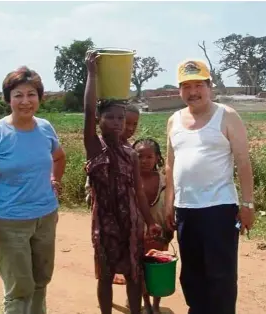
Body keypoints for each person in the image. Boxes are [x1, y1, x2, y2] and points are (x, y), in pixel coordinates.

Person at [164, 59, 255, 314]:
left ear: (209, 86)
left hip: (219, 209)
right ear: (179, 90)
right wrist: (169, 203)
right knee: (191, 273)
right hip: (185, 209)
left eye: (198, 85)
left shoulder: (226, 116)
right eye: (186, 86)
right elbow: (170, 165)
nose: (193, 92)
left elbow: (243, 161)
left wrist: (247, 204)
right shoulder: (174, 120)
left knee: (221, 275)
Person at [0, 66, 66, 314]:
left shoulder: (46, 128)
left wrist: (53, 182)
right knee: (19, 290)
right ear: (8, 99)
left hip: (46, 217)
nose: (25, 101)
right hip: (9, 222)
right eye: (18, 95)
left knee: (41, 282)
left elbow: (59, 158)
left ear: (39, 98)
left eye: (31, 94)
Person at [83, 50, 161, 314]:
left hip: (131, 224)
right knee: (105, 276)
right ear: (99, 120)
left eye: (121, 118)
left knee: (134, 275)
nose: (117, 123)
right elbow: (88, 109)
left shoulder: (130, 154)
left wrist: (150, 221)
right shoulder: (95, 147)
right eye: (111, 117)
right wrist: (92, 74)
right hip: (104, 225)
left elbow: (138, 192)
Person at [132, 138, 174, 314]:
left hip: (159, 234)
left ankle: (156, 304)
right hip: (135, 234)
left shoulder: (165, 182)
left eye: (149, 156)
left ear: (157, 158)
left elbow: (170, 207)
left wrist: (168, 230)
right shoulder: (129, 181)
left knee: (158, 268)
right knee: (139, 270)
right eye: (139, 156)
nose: (144, 161)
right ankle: (146, 303)